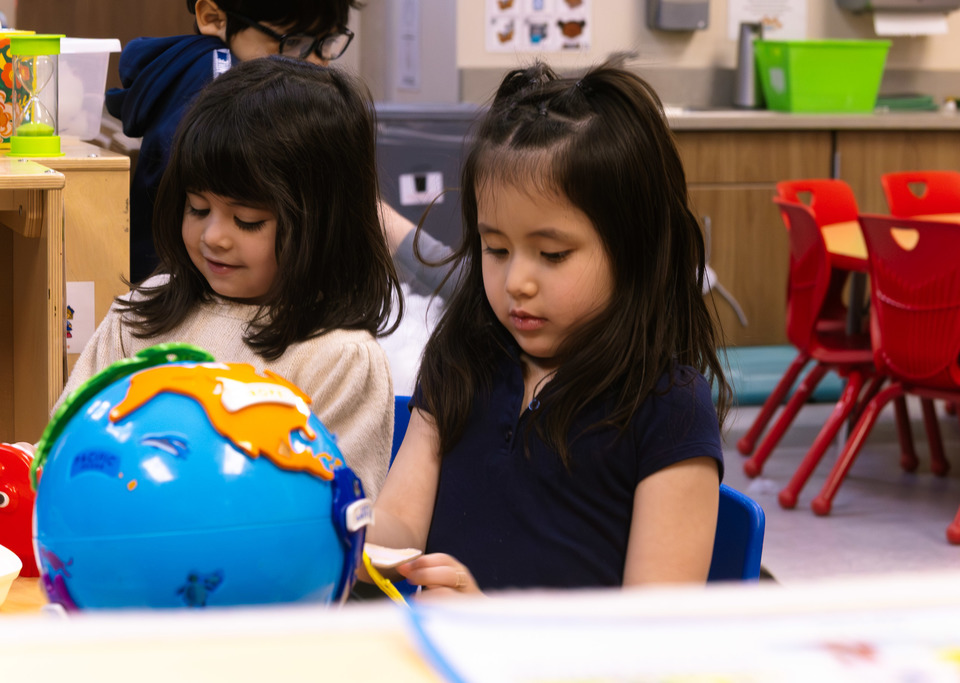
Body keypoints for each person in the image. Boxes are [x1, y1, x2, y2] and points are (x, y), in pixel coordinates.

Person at [365, 60, 731, 594]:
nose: (517, 281)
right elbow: (399, 529)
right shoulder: (462, 359)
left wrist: (495, 629)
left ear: (635, 251)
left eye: (552, 255)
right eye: (496, 249)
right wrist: (339, 539)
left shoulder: (668, 408)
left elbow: (655, 634)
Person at [60, 56, 401, 501]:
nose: (214, 237)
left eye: (246, 220)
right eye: (197, 209)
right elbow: (68, 445)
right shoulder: (144, 312)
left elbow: (333, 525)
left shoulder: (338, 358)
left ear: (322, 225)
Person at [106, 0, 360, 283]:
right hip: (181, 279)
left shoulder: (191, 67)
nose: (316, 61)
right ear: (213, 17)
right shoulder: (223, 91)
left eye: (329, 41)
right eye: (295, 42)